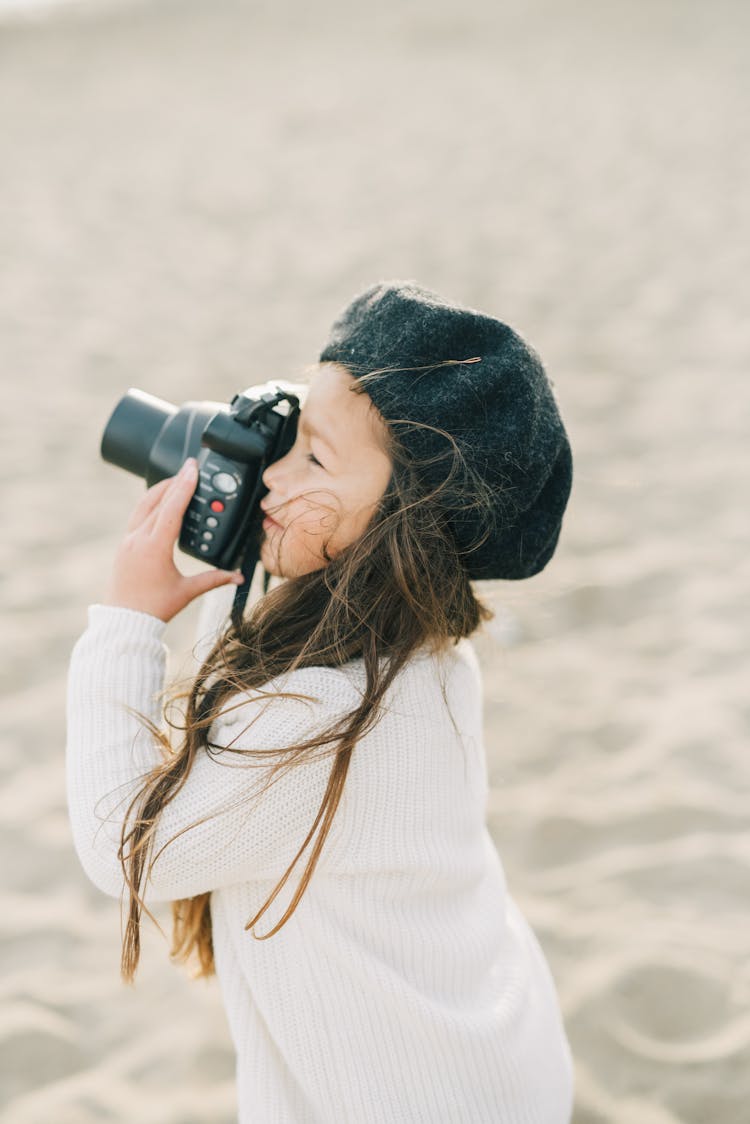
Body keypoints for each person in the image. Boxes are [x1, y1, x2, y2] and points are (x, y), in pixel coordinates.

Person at [66, 281, 575, 1123]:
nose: (271, 471)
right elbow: (240, 714)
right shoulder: (421, 661)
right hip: (492, 1056)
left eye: (315, 459)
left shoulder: (326, 721)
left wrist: (126, 622)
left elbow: (126, 848)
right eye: (290, 433)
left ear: (401, 523)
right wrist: (237, 559)